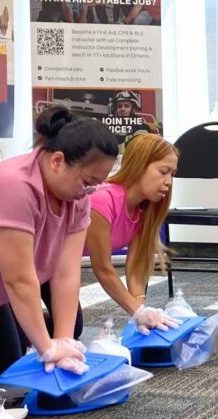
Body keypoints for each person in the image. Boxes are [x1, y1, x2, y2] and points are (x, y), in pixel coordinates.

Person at [0, 107, 119, 381]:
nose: (90, 192)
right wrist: (46, 347)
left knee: (68, 329)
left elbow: (66, 272)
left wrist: (64, 343)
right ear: (57, 161)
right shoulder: (14, 184)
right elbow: (18, 279)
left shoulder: (77, 195)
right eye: (88, 182)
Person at [84, 132, 181, 334]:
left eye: (172, 174)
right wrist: (137, 311)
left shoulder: (143, 208)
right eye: (163, 171)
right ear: (139, 166)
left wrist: (141, 311)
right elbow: (102, 268)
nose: (169, 181)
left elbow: (136, 267)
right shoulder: (102, 200)